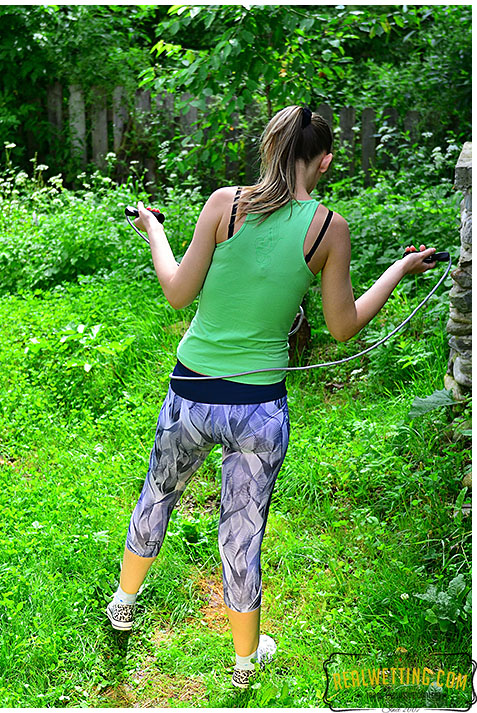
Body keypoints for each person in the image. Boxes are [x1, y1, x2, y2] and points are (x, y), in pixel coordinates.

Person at [106, 105, 437, 688]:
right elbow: (342, 327)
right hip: (258, 409)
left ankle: (125, 603)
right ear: (326, 161)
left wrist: (154, 229)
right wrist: (400, 270)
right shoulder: (328, 229)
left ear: (269, 148)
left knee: (159, 490)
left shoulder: (223, 204)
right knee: (243, 527)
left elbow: (178, 293)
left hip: (191, 390)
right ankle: (243, 660)